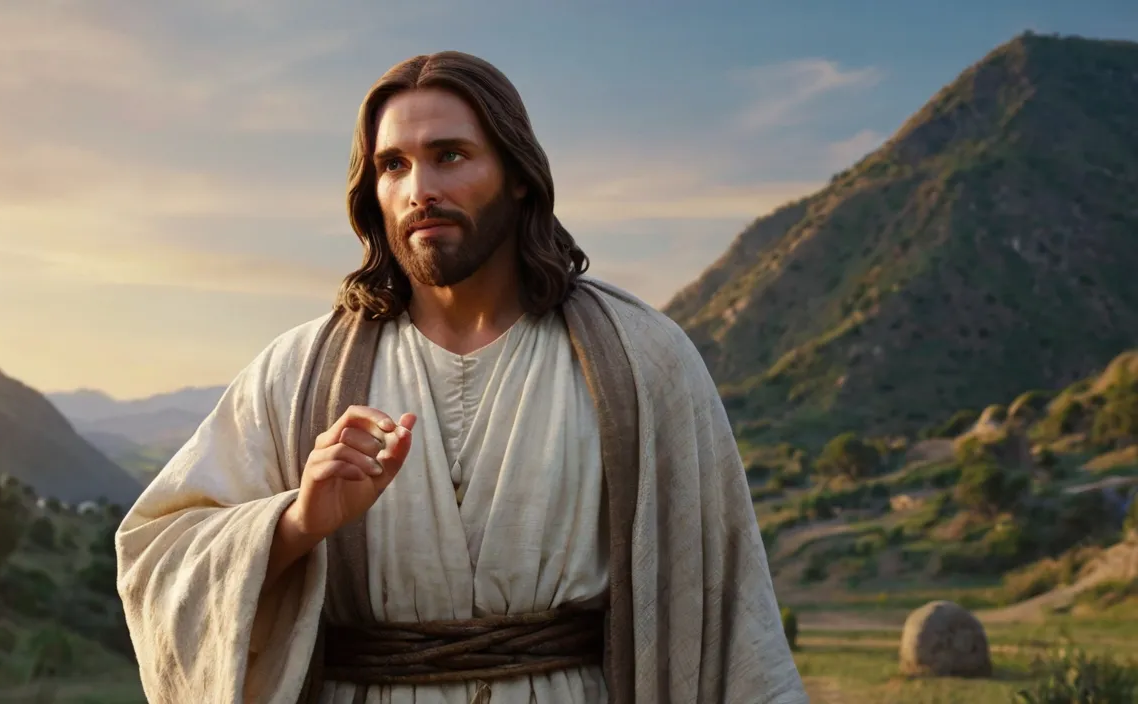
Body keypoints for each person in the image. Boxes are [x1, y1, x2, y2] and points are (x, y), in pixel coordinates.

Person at [116, 51, 807, 704]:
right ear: (372, 190)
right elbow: (154, 558)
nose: (421, 190)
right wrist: (296, 522)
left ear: (516, 173)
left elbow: (725, 596)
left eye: (450, 156)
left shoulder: (643, 359)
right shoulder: (300, 372)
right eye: (394, 165)